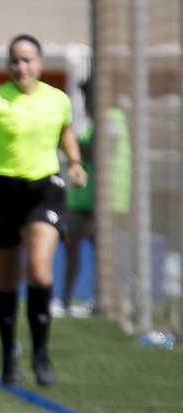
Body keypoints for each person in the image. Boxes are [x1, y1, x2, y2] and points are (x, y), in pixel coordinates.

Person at [0, 35, 86, 388]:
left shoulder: (57, 100)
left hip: (44, 191)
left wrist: (74, 162)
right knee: (5, 280)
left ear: (41, 64)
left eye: (28, 60)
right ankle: (8, 356)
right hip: (4, 192)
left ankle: (41, 353)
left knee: (40, 270)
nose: (22, 67)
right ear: (8, 65)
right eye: (15, 61)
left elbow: (66, 132)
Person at [58, 79, 131, 318]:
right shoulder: (94, 124)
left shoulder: (111, 119)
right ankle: (66, 301)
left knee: (104, 251)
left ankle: (113, 299)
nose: (88, 102)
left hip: (106, 198)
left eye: (91, 95)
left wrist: (66, 141)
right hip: (84, 198)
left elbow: (100, 150)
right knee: (72, 243)